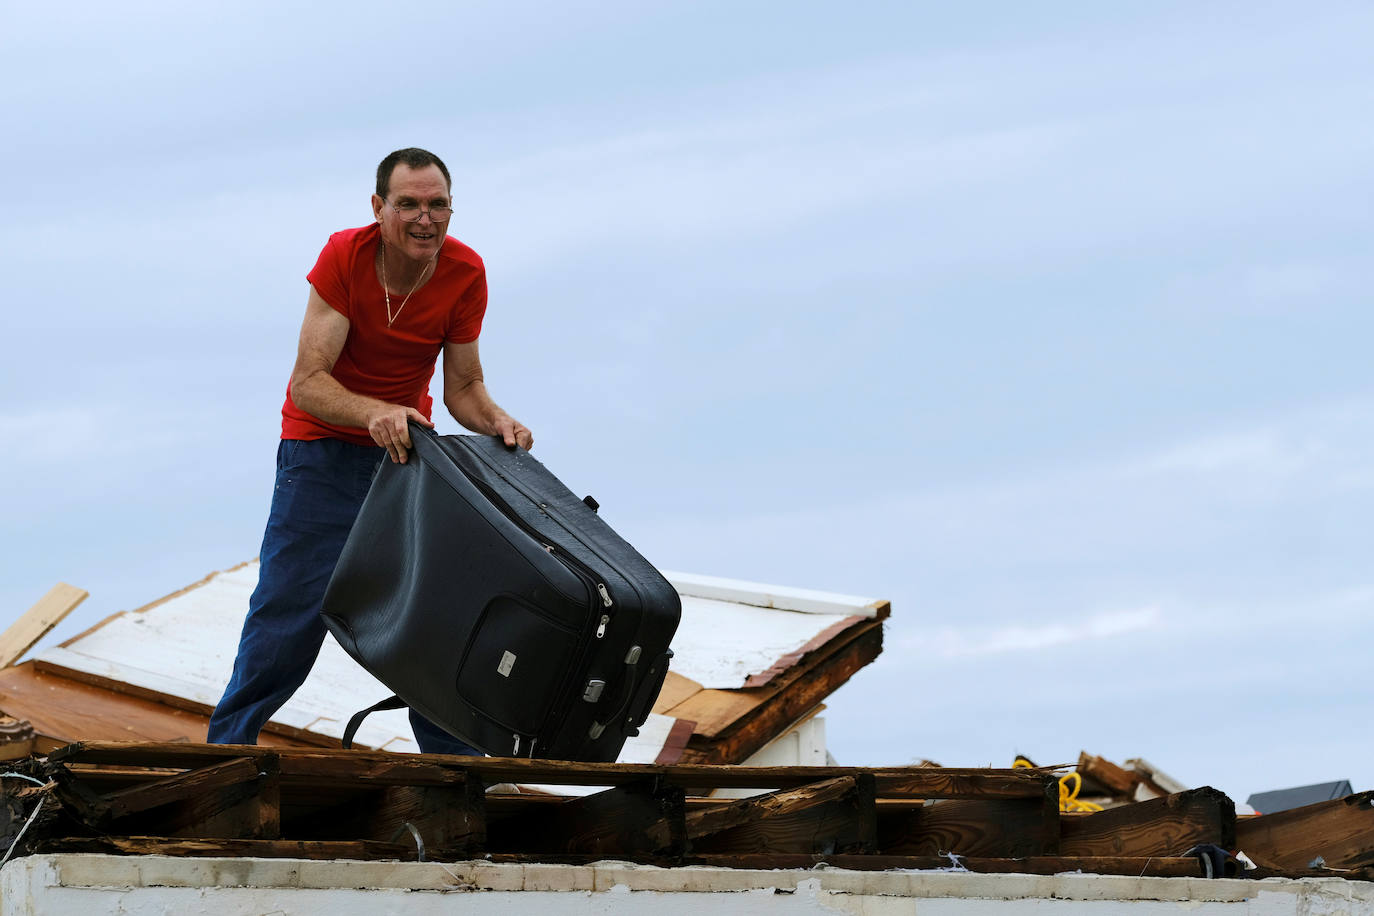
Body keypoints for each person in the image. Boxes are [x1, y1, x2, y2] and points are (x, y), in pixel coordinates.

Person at [207, 147, 532, 754]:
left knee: (433, 616)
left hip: (406, 461)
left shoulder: (465, 272)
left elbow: (462, 388)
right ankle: (229, 749)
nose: (424, 219)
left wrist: (499, 421)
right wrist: (374, 411)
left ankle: (459, 772)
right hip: (320, 454)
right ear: (379, 208)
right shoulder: (344, 256)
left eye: (437, 205)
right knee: (291, 611)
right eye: (408, 204)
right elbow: (309, 382)